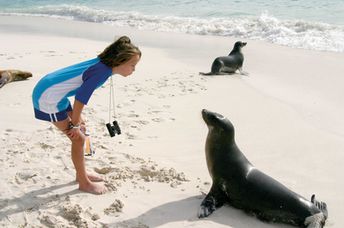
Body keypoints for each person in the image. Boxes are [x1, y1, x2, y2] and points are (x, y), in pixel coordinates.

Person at [32, 36, 141, 194]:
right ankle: (83, 183)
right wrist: (75, 124)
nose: (134, 70)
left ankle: (80, 173)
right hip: (48, 97)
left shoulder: (104, 67)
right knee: (79, 138)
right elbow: (80, 98)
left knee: (82, 130)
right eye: (132, 65)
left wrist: (78, 122)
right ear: (120, 61)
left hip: (55, 92)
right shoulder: (101, 72)